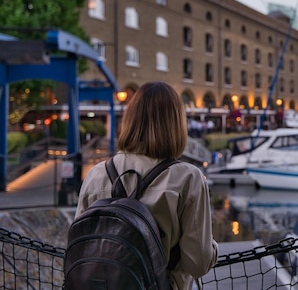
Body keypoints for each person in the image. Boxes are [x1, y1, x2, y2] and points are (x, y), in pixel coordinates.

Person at [75, 81, 218, 290]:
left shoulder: (96, 174)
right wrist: (211, 246)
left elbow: (79, 244)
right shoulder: (188, 178)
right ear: (177, 124)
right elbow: (198, 264)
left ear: (130, 120)